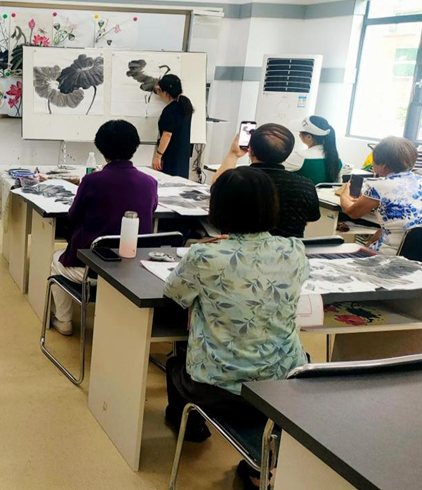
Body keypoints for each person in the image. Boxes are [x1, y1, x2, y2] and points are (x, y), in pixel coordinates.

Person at [164, 167, 309, 489]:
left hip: (220, 388)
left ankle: (193, 428)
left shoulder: (204, 255)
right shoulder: (294, 249)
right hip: (286, 382)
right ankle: (262, 464)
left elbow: (174, 293)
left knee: (175, 364)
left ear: (218, 208)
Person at [50, 120, 158, 335]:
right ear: (135, 147)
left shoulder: (92, 181)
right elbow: (151, 211)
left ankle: (63, 321)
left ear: (101, 147)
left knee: (55, 260)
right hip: (134, 267)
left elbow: (73, 216)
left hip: (92, 267)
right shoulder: (149, 182)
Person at [215, 123, 320, 238]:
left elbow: (216, 189)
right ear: (288, 153)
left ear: (251, 150)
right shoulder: (306, 185)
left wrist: (233, 154)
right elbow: (307, 222)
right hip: (288, 248)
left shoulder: (238, 179)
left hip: (241, 248)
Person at [340, 136, 422, 254]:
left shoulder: (378, 187)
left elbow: (353, 213)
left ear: (383, 165)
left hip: (392, 255)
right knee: (378, 235)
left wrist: (344, 194)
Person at [152, 74, 194, 178]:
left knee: (168, 181)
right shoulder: (185, 104)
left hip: (171, 155)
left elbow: (167, 135)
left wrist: (158, 155)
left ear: (165, 93)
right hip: (183, 154)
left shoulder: (169, 110)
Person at [284, 115, 342, 184]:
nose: (299, 135)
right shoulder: (337, 160)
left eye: (300, 133)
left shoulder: (300, 156)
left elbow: (276, 169)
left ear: (309, 137)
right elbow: (338, 184)